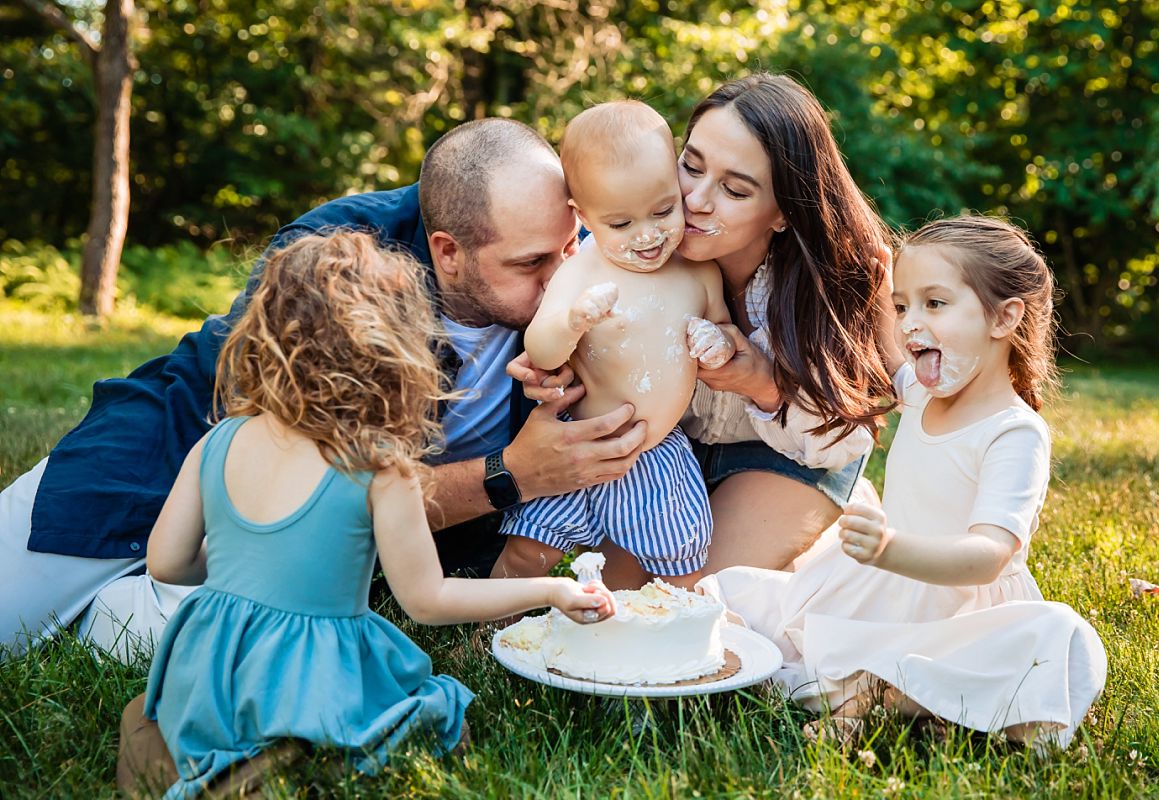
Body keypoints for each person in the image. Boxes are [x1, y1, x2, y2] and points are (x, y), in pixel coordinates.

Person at [0, 118, 645, 661]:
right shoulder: (340, 270)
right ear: (447, 253)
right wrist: (513, 474)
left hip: (325, 556)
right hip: (170, 447)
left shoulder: (584, 252)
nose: (563, 276)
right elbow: (317, 487)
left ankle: (124, 613)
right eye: (532, 264)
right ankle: (118, 605)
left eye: (570, 247)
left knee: (245, 641)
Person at [120, 231, 616, 799]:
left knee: (148, 719)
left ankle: (213, 754)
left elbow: (166, 562)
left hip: (210, 671)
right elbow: (428, 602)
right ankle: (280, 764)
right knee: (443, 721)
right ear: (396, 354)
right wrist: (550, 593)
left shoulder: (220, 440)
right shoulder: (381, 468)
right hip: (311, 681)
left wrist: (252, 569)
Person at [699, 215, 1107, 747]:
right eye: (902, 307)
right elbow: (891, 356)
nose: (911, 322)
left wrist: (891, 548)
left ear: (1005, 318)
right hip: (886, 590)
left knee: (1062, 638)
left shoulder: (1013, 432)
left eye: (934, 304)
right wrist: (878, 297)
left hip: (962, 609)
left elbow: (990, 554)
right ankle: (904, 694)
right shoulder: (922, 391)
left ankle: (888, 693)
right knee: (735, 599)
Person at [542, 74, 897, 588]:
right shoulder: (627, 237)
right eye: (690, 166)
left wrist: (760, 381)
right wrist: (557, 366)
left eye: (734, 189)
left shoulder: (821, 283)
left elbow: (843, 439)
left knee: (690, 599)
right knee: (610, 600)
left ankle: (823, 526)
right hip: (672, 458)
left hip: (786, 455)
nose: (697, 200)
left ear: (781, 213)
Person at [490, 101, 735, 587]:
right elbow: (542, 351)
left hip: (656, 452)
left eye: (663, 210)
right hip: (576, 443)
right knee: (527, 552)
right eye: (620, 224)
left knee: (681, 558)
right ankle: (492, 629)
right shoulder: (582, 270)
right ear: (583, 216)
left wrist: (717, 342)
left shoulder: (700, 273)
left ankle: (676, 632)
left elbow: (725, 329)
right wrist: (573, 322)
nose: (647, 235)